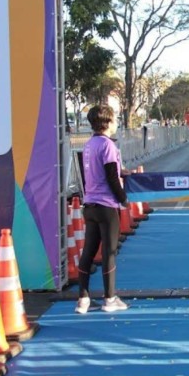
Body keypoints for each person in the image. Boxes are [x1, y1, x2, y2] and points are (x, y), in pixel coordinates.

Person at [76, 105, 129, 314]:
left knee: (88, 251)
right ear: (107, 122)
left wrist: (123, 172)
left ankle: (83, 298)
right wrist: (123, 199)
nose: (116, 122)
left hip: (90, 205)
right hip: (107, 206)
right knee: (109, 252)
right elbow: (111, 176)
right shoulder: (108, 145)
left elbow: (104, 171)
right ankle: (110, 298)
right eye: (114, 119)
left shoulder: (89, 144)